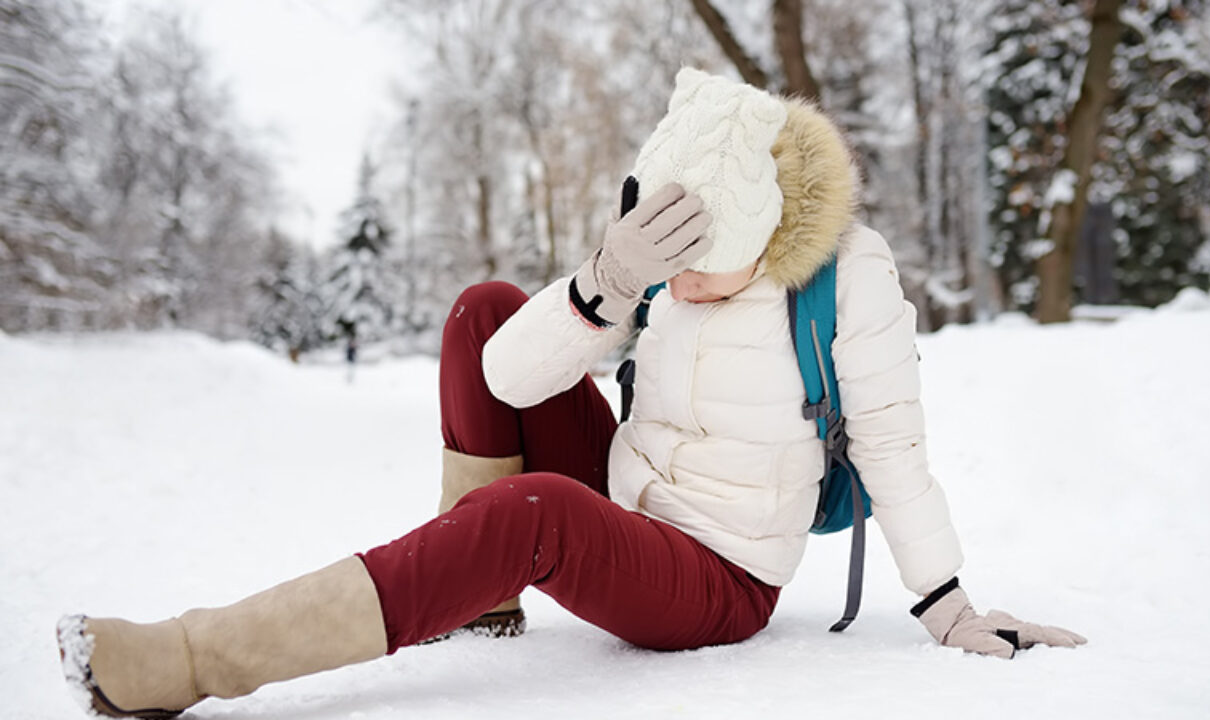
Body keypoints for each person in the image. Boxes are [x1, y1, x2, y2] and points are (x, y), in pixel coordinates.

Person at [56, 68, 1084, 719]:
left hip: (716, 572)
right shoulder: (663, 268)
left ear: (764, 228)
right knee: (483, 311)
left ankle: (194, 658)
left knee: (533, 511)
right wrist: (606, 282)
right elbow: (504, 375)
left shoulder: (848, 273)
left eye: (699, 259)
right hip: (627, 496)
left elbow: (895, 446)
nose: (677, 283)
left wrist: (946, 605)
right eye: (663, 256)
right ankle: (483, 587)